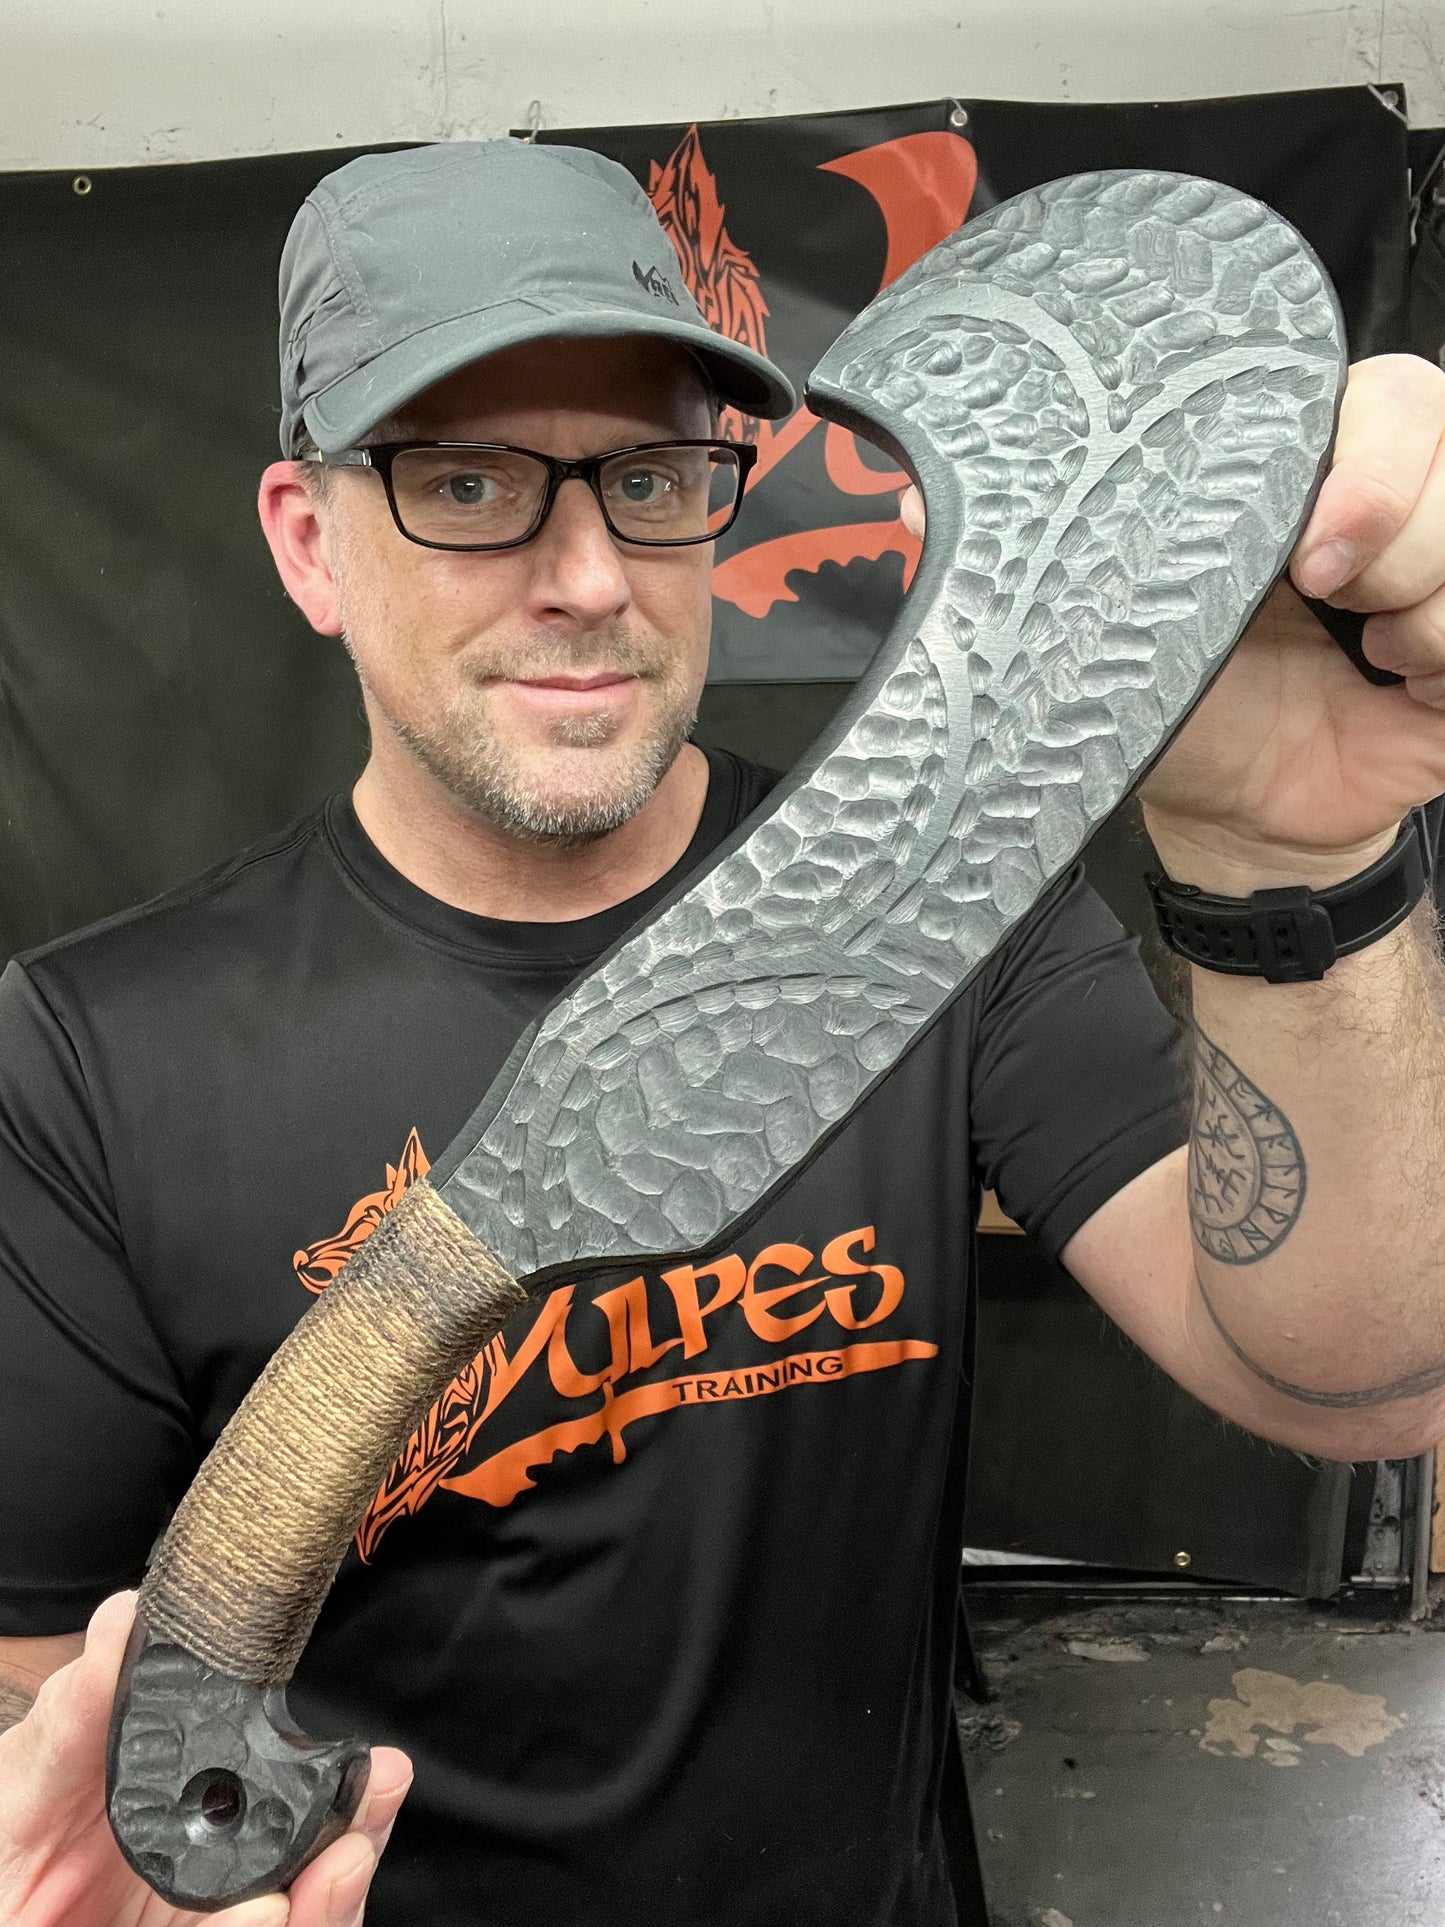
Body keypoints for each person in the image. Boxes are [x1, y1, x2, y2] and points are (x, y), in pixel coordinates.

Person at [2, 137, 1445, 1927]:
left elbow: (1364, 1380)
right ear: (310, 542)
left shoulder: (941, 907)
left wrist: (1288, 860)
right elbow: (46, 1691)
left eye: (651, 477)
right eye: (468, 482)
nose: (589, 576)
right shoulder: (87, 1052)